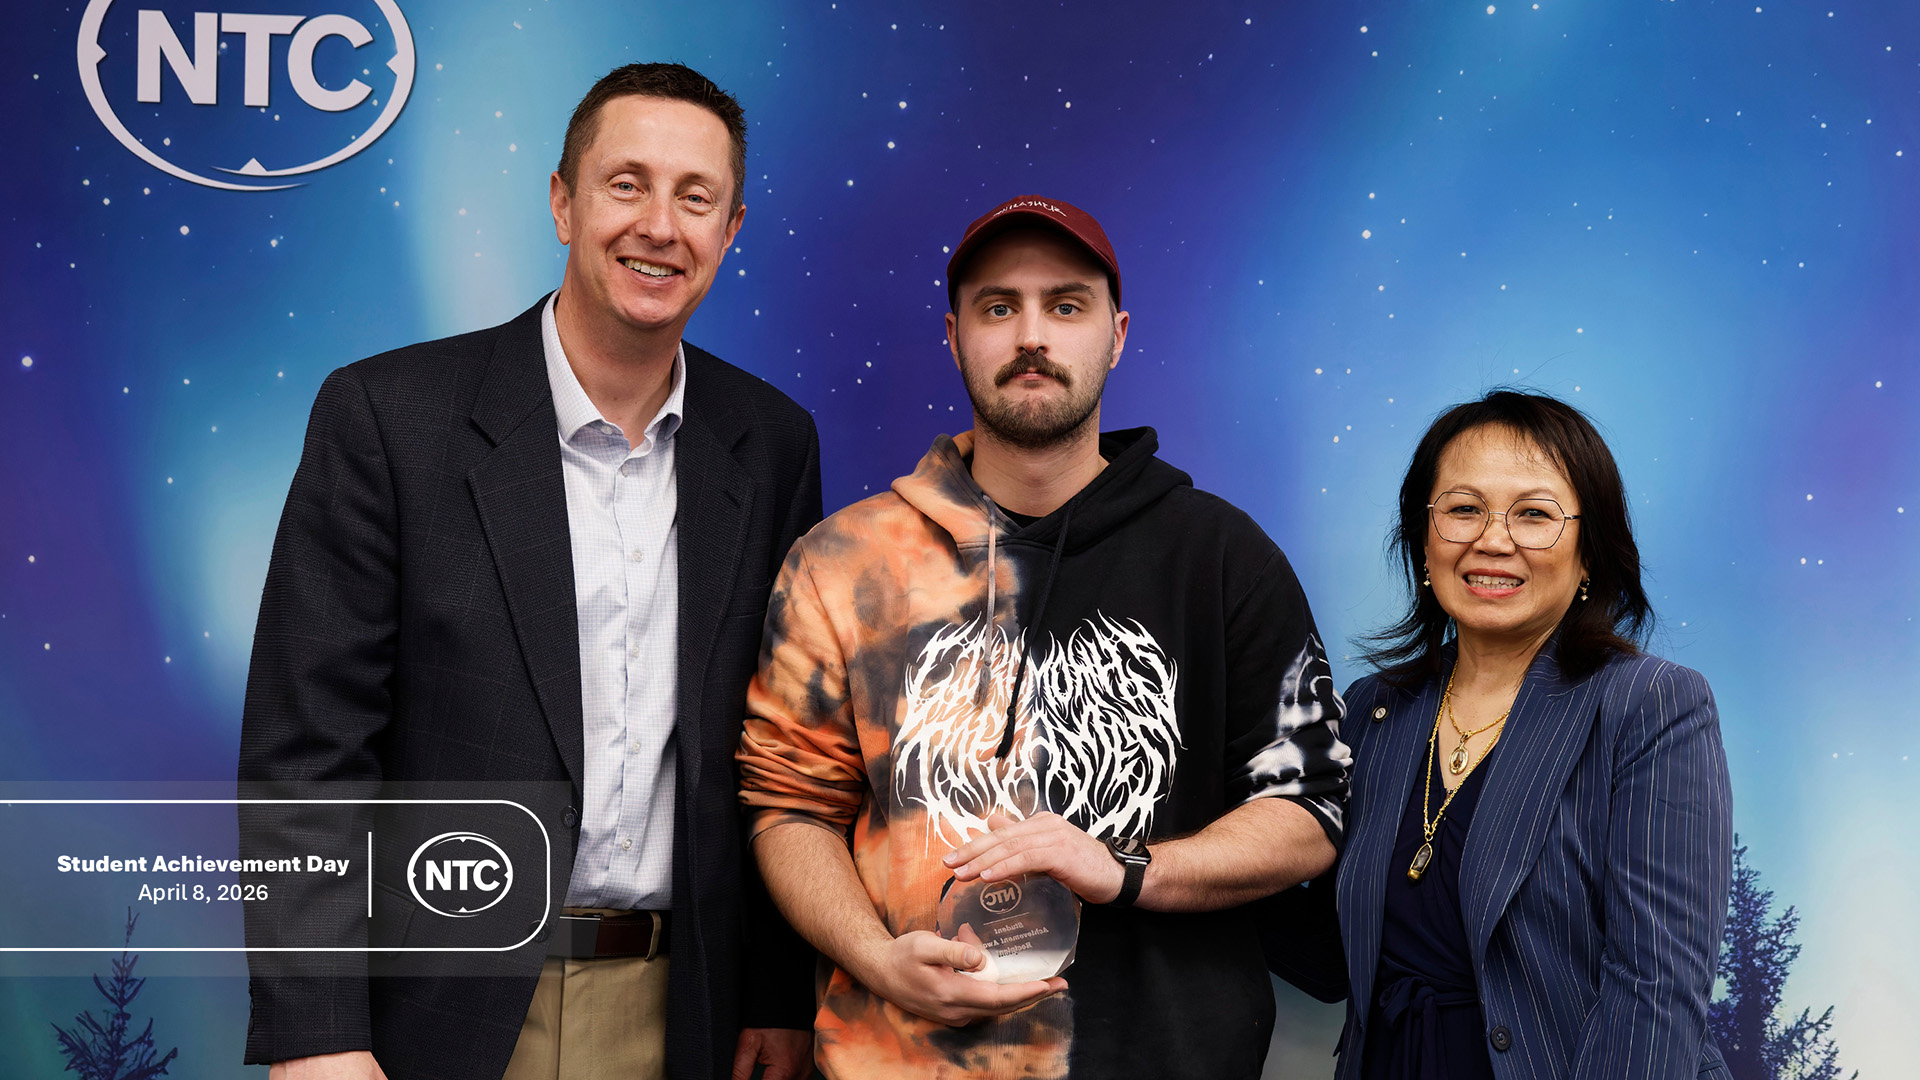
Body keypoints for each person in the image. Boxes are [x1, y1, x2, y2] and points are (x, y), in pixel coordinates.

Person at [238, 63, 818, 1080]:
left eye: (696, 198)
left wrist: (775, 995)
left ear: (730, 232)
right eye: (626, 184)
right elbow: (307, 754)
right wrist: (317, 1031)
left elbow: (777, 751)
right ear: (563, 202)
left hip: (682, 1014)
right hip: (436, 1014)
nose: (659, 226)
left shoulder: (771, 444)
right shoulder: (390, 419)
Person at [735, 194, 1351, 1079]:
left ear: (1117, 334)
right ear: (954, 337)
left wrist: (1124, 870)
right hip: (897, 1059)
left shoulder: (1222, 557)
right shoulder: (844, 562)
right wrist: (875, 958)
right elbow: (789, 807)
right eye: (999, 308)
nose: (1031, 336)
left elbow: (1310, 808)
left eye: (1065, 306)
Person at [1303, 390, 1732, 1079]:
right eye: (1463, 509)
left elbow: (1655, 995)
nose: (1493, 540)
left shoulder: (1650, 705)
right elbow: (1331, 957)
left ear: (1590, 554)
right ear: (1423, 539)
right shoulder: (1375, 709)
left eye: (1534, 514)